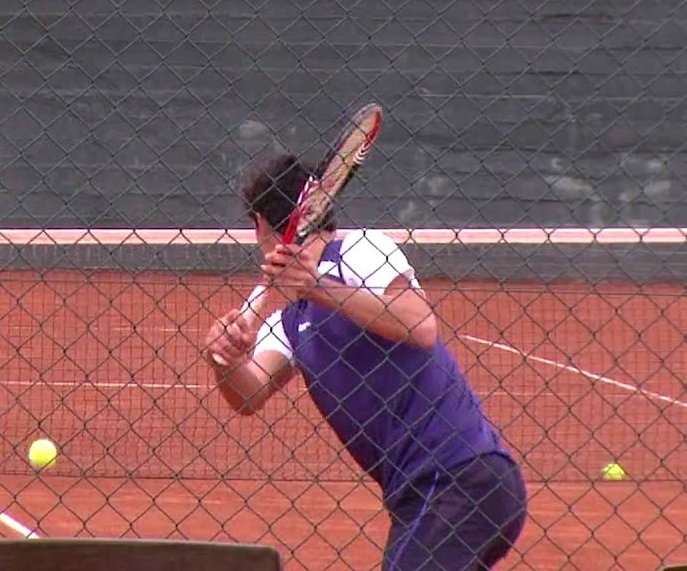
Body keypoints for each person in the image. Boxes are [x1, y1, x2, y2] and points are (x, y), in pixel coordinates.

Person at [203, 153, 528, 571]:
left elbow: (420, 325)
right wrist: (225, 361)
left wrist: (319, 286)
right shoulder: (289, 323)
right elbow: (248, 395)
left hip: (457, 478)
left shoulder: (360, 250)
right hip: (420, 496)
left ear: (261, 226)